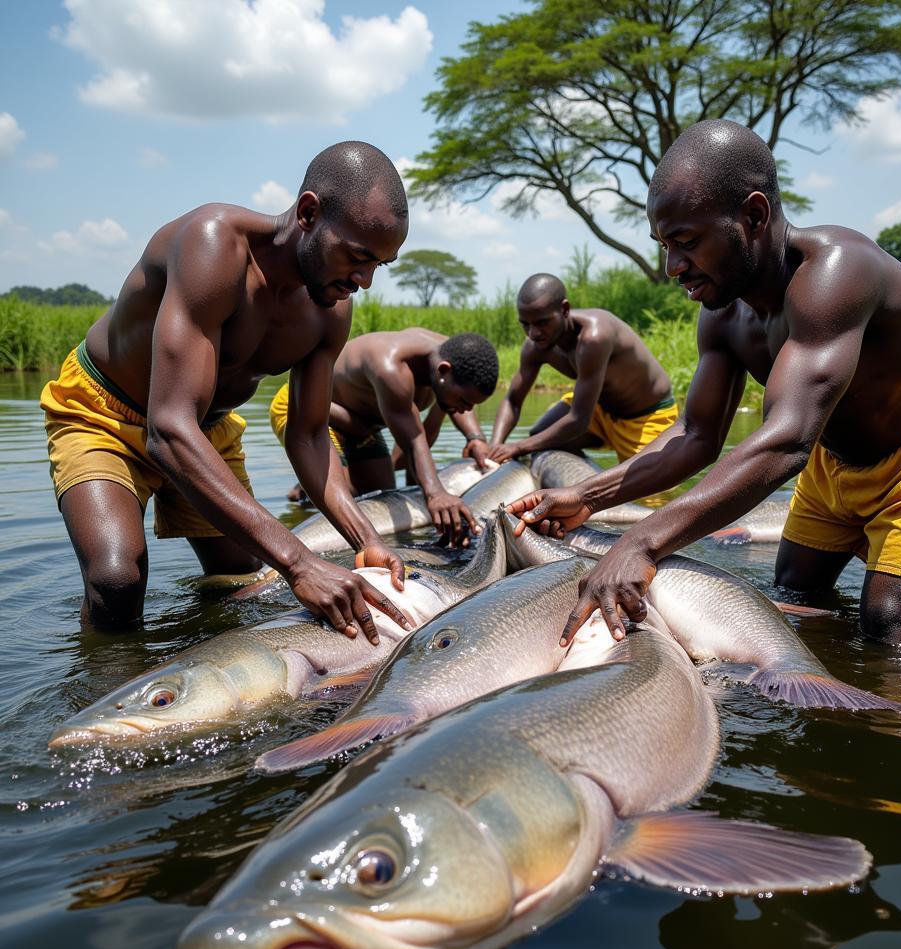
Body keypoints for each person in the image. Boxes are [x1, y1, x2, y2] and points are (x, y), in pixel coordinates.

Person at [508, 119, 901, 647]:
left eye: (686, 242)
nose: (673, 267)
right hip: (835, 454)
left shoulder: (838, 274)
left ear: (753, 215)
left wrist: (642, 542)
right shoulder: (723, 316)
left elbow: (789, 440)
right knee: (794, 593)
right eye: (663, 245)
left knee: (890, 627)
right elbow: (696, 436)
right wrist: (586, 497)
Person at [40, 141, 415, 643]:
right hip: (106, 413)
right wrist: (301, 564)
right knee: (116, 581)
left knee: (240, 583)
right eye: (357, 256)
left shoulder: (330, 310)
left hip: (206, 432)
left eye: (380, 266)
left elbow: (307, 436)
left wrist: (366, 539)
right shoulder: (214, 245)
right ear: (308, 212)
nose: (365, 280)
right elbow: (168, 428)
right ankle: (104, 696)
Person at [268, 328, 499, 544]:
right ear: (444, 372)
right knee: (340, 500)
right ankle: (308, 488)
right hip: (306, 408)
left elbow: (421, 438)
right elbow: (413, 442)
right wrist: (436, 494)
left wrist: (475, 437)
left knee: (383, 501)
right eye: (463, 402)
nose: (465, 410)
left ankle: (317, 481)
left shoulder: (452, 356)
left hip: (360, 426)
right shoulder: (391, 366)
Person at [486, 274, 677, 464]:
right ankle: (582, 480)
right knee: (540, 436)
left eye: (542, 323)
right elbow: (512, 401)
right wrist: (494, 450)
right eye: (525, 324)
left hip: (646, 418)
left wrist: (518, 447)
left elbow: (578, 420)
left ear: (565, 309)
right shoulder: (534, 346)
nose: (533, 333)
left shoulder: (593, 338)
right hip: (598, 408)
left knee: (649, 493)